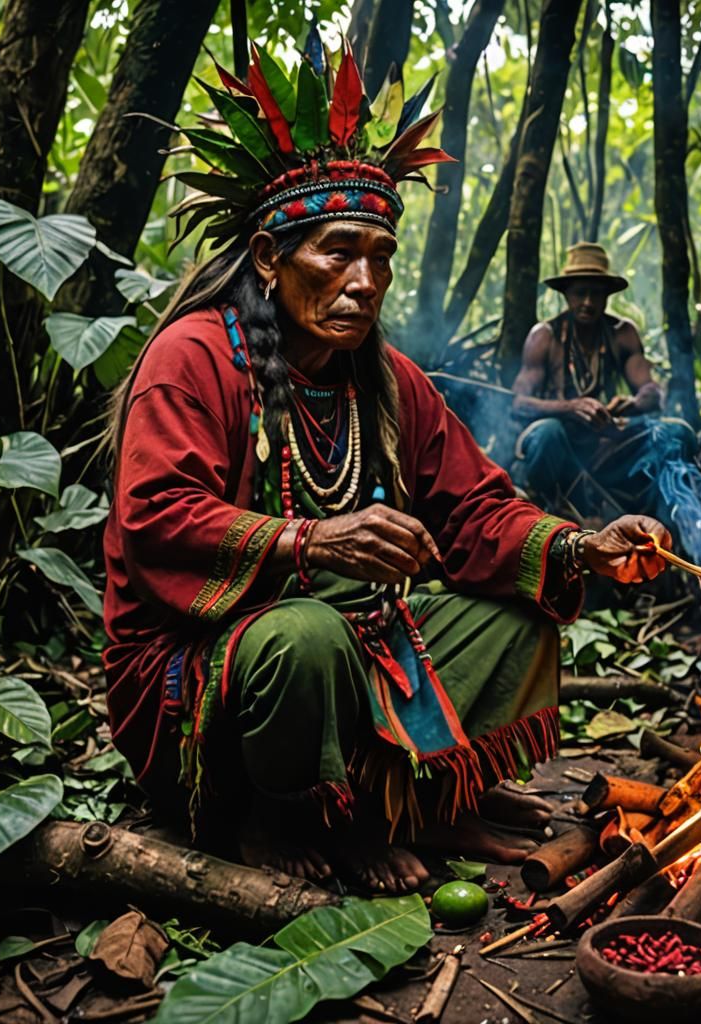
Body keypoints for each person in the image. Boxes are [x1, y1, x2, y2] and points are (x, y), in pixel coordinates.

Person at [102, 45, 672, 894]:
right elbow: (156, 516)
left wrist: (581, 547)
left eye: (380, 257)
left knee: (519, 616)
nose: (366, 282)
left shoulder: (387, 379)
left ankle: (424, 798)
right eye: (338, 253)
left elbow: (476, 509)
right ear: (268, 256)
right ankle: (283, 813)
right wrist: (313, 540)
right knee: (308, 639)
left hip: (360, 639)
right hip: (210, 667)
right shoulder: (193, 357)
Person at [511, 242, 683, 522]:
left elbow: (652, 391)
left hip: (608, 450)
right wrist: (570, 408)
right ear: (566, 294)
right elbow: (518, 403)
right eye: (580, 293)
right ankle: (548, 511)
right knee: (546, 433)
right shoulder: (545, 336)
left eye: (596, 294)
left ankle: (656, 519)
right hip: (561, 452)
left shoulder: (621, 333)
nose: (588, 303)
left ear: (607, 296)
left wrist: (634, 404)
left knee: (676, 434)